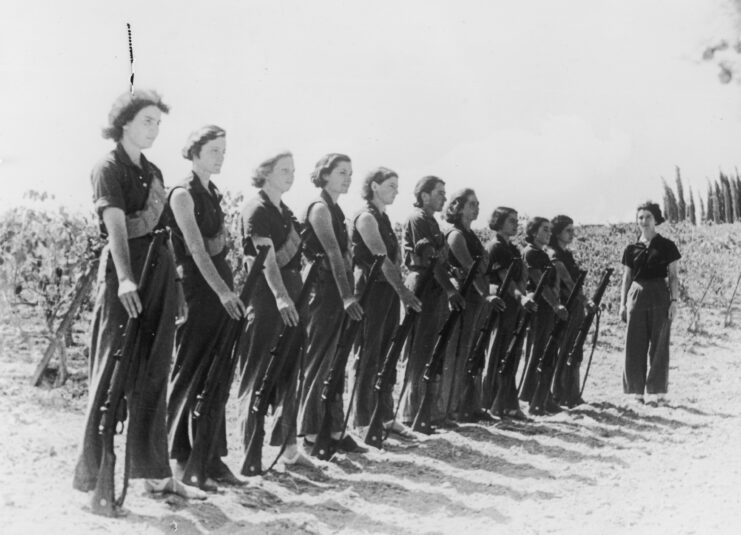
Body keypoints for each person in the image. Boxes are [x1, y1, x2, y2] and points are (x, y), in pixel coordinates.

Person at [73, 89, 205, 500]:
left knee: (154, 373)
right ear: (124, 122)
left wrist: (177, 287)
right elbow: (114, 226)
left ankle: (156, 474)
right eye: (147, 121)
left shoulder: (155, 172)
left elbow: (164, 232)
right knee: (110, 373)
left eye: (158, 123)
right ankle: (95, 478)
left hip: (160, 273)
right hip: (125, 273)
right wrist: (127, 278)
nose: (155, 129)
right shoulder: (107, 167)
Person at [166, 125, 245, 490]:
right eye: (214, 150)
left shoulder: (211, 192)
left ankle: (211, 457)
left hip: (220, 284)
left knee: (218, 373)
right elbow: (196, 250)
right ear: (195, 152)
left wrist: (229, 289)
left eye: (224, 150)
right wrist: (223, 293)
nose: (221, 156)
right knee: (191, 370)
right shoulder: (183, 194)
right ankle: (181, 459)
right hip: (201, 289)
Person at [236, 151, 314, 472]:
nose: (291, 175)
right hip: (268, 298)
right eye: (284, 170)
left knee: (289, 371)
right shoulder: (257, 209)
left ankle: (289, 448)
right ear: (265, 172)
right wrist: (282, 298)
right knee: (257, 375)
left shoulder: (285, 211)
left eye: (293, 170)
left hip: (292, 292)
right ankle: (250, 456)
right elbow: (265, 260)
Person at [297, 153, 366, 454]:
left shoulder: (336, 210)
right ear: (324, 175)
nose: (347, 177)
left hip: (336, 291)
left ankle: (335, 429)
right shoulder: (320, 208)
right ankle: (311, 432)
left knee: (335, 363)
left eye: (350, 173)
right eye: (341, 172)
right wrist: (347, 295)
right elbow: (333, 254)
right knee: (319, 361)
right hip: (323, 291)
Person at [350, 167, 422, 436]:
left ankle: (385, 416)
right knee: (368, 355)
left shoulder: (384, 218)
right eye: (391, 185)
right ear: (374, 186)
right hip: (371, 290)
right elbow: (382, 260)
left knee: (386, 355)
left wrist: (398, 291)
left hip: (388, 291)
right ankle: (362, 420)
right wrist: (404, 292)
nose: (396, 190)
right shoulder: (366, 217)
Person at [398, 176, 465, 427]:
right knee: (418, 349)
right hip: (424, 282)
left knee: (430, 349)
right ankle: (410, 412)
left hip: (434, 284)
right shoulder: (418, 219)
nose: (444, 198)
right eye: (439, 193)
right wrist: (450, 289)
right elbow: (430, 258)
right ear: (424, 196)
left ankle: (427, 412)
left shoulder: (431, 222)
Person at [440, 189, 504, 422]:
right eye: (471, 204)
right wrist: (484, 293)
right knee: (457, 353)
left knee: (471, 352)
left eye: (477, 204)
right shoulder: (456, 235)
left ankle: (467, 404)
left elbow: (483, 267)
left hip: (478, 299)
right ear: (457, 207)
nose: (476, 208)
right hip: (466, 298)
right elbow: (471, 268)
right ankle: (450, 406)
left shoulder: (472, 235)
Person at [619, 201, 680, 405]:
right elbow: (626, 278)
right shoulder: (631, 248)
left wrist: (674, 301)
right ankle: (636, 391)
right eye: (640, 218)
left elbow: (673, 277)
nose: (644, 221)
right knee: (635, 343)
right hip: (636, 296)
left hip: (660, 296)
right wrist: (622, 304)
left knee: (659, 343)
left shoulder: (667, 246)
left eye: (648, 217)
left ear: (656, 220)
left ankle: (657, 391)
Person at [482, 207, 535, 419]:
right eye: (511, 220)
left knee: (510, 355)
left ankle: (509, 403)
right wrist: (520, 297)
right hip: (503, 303)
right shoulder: (496, 247)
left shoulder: (512, 248)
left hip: (515, 304)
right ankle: (493, 404)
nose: (516, 224)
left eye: (516, 220)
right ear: (499, 222)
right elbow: (505, 278)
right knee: (498, 355)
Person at [518, 217, 568, 410]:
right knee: (538, 350)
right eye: (544, 230)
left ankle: (542, 396)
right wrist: (556, 305)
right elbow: (539, 282)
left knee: (546, 351)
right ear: (533, 232)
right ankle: (534, 397)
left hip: (547, 305)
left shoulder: (542, 253)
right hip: (540, 305)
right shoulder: (531, 253)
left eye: (549, 230)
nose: (548, 233)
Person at [547, 215, 591, 407]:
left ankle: (571, 393)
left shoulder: (567, 254)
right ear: (557, 233)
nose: (572, 234)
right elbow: (567, 282)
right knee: (563, 351)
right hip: (565, 305)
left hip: (575, 306)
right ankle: (560, 393)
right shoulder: (554, 254)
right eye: (568, 230)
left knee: (574, 350)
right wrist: (585, 300)